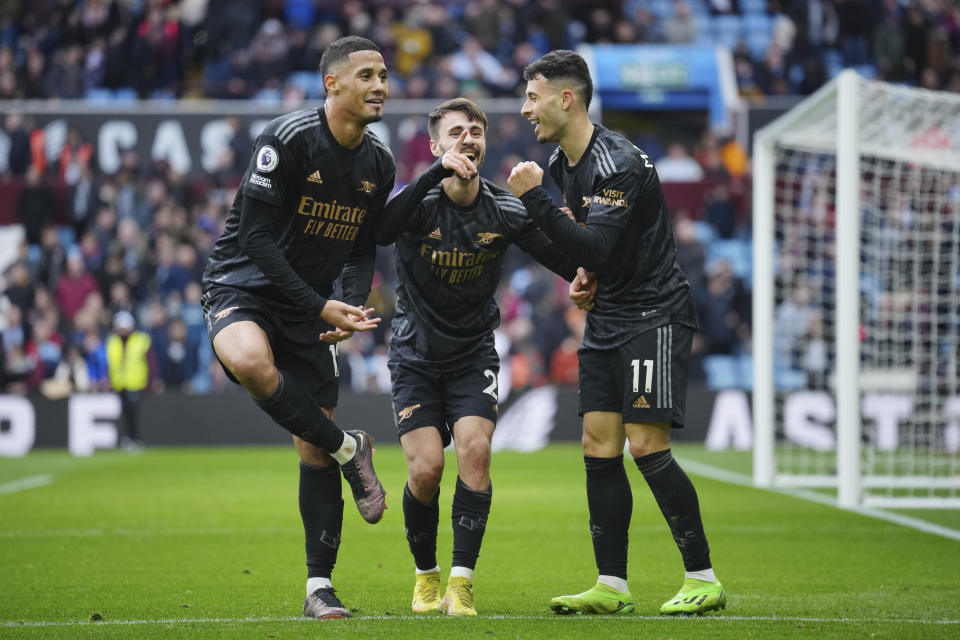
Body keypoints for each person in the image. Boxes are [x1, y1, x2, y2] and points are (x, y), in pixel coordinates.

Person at [506, 50, 726, 616]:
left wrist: (533, 202)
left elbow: (598, 245)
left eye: (533, 97)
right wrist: (580, 276)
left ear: (566, 98)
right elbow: (586, 252)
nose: (525, 108)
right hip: (608, 316)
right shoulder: (562, 164)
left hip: (653, 315)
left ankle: (702, 576)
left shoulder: (617, 162)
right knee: (597, 446)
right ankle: (612, 585)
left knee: (646, 445)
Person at [199, 36, 395, 620]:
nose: (380, 85)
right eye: (366, 75)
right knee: (251, 363)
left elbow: (363, 248)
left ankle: (319, 589)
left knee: (313, 453)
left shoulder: (379, 163)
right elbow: (255, 240)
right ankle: (351, 450)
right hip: (242, 286)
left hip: (311, 307)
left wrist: (350, 304)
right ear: (332, 84)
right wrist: (320, 305)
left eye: (383, 74)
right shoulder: (285, 140)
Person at [375, 98, 578, 616]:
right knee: (424, 472)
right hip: (415, 355)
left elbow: (562, 257)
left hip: (473, 356)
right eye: (456, 132)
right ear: (436, 144)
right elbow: (380, 230)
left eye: (476, 132)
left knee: (476, 452)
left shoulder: (504, 207)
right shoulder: (417, 202)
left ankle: (461, 583)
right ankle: (426, 575)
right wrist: (428, 176)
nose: (468, 139)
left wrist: (575, 255)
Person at [106, 310, 154, 451]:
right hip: (119, 384)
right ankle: (127, 438)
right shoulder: (112, 342)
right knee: (124, 414)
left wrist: (150, 381)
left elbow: (150, 362)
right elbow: (108, 363)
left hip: (136, 383)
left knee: (133, 413)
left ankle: (135, 438)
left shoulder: (141, 340)